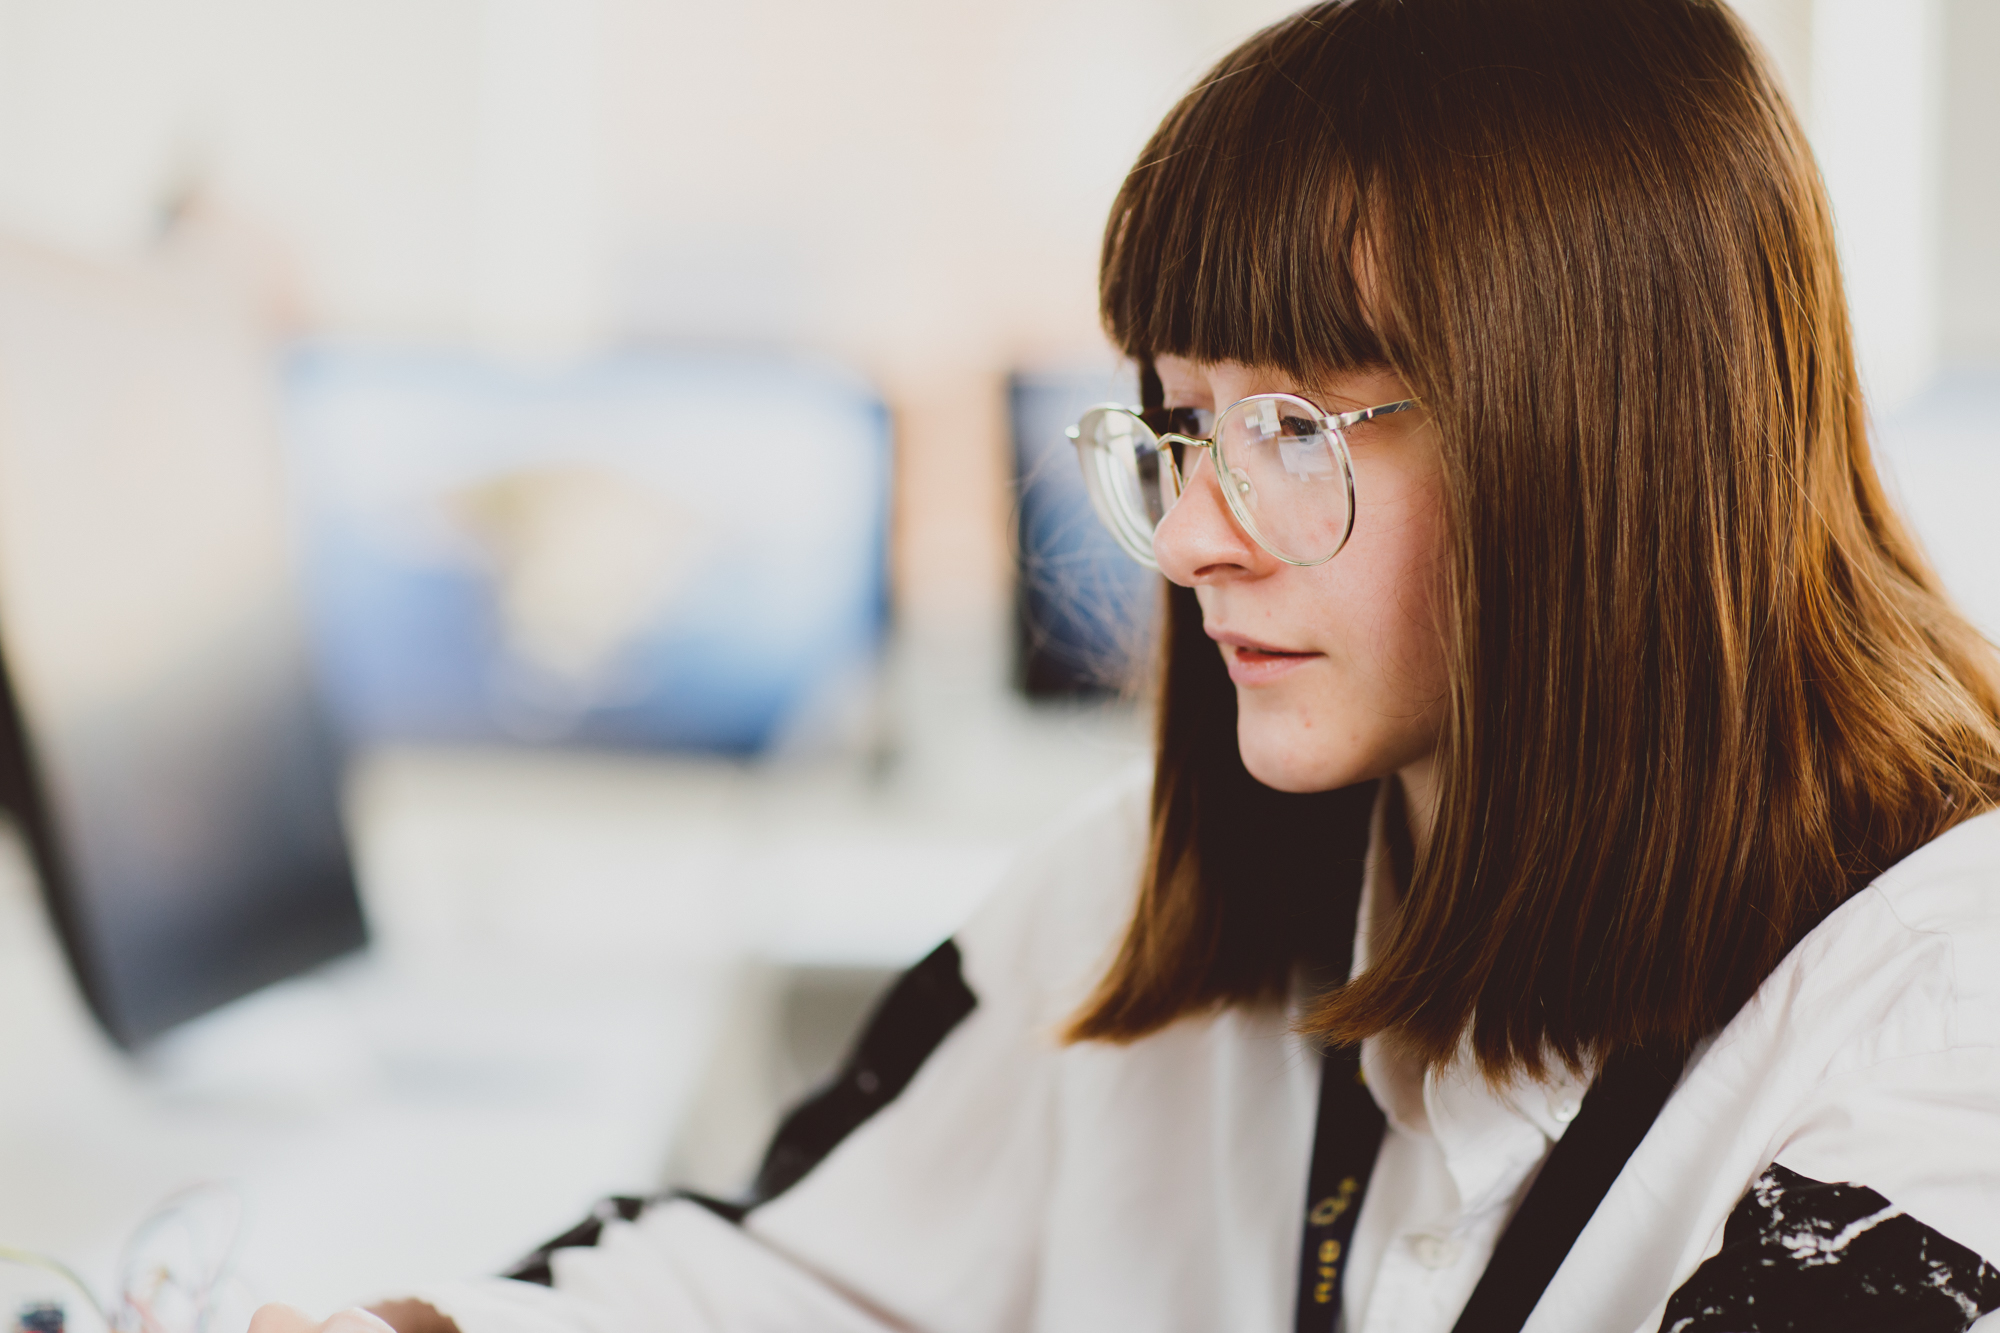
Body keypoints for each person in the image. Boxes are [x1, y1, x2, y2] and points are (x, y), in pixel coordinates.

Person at [253, 1, 2000, 1329]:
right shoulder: (1161, 892)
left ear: (1615, 440)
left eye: (1299, 426)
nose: (1186, 539)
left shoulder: (1943, 1039)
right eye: (1180, 423)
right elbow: (781, 1279)